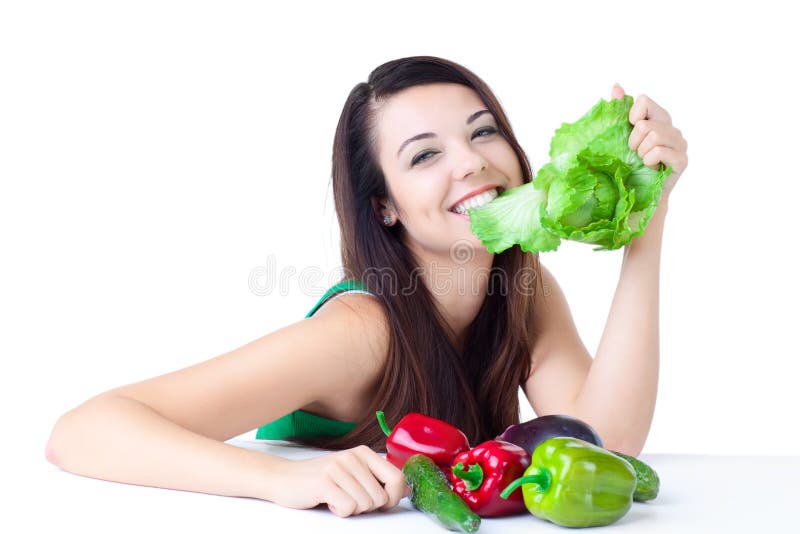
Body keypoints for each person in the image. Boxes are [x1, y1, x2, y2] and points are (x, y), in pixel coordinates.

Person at [44, 56, 689, 518]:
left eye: (483, 130)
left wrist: (646, 223)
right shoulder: (361, 332)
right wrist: (280, 481)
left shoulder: (523, 291)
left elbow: (603, 443)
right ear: (386, 206)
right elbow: (81, 431)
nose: (471, 161)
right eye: (424, 155)